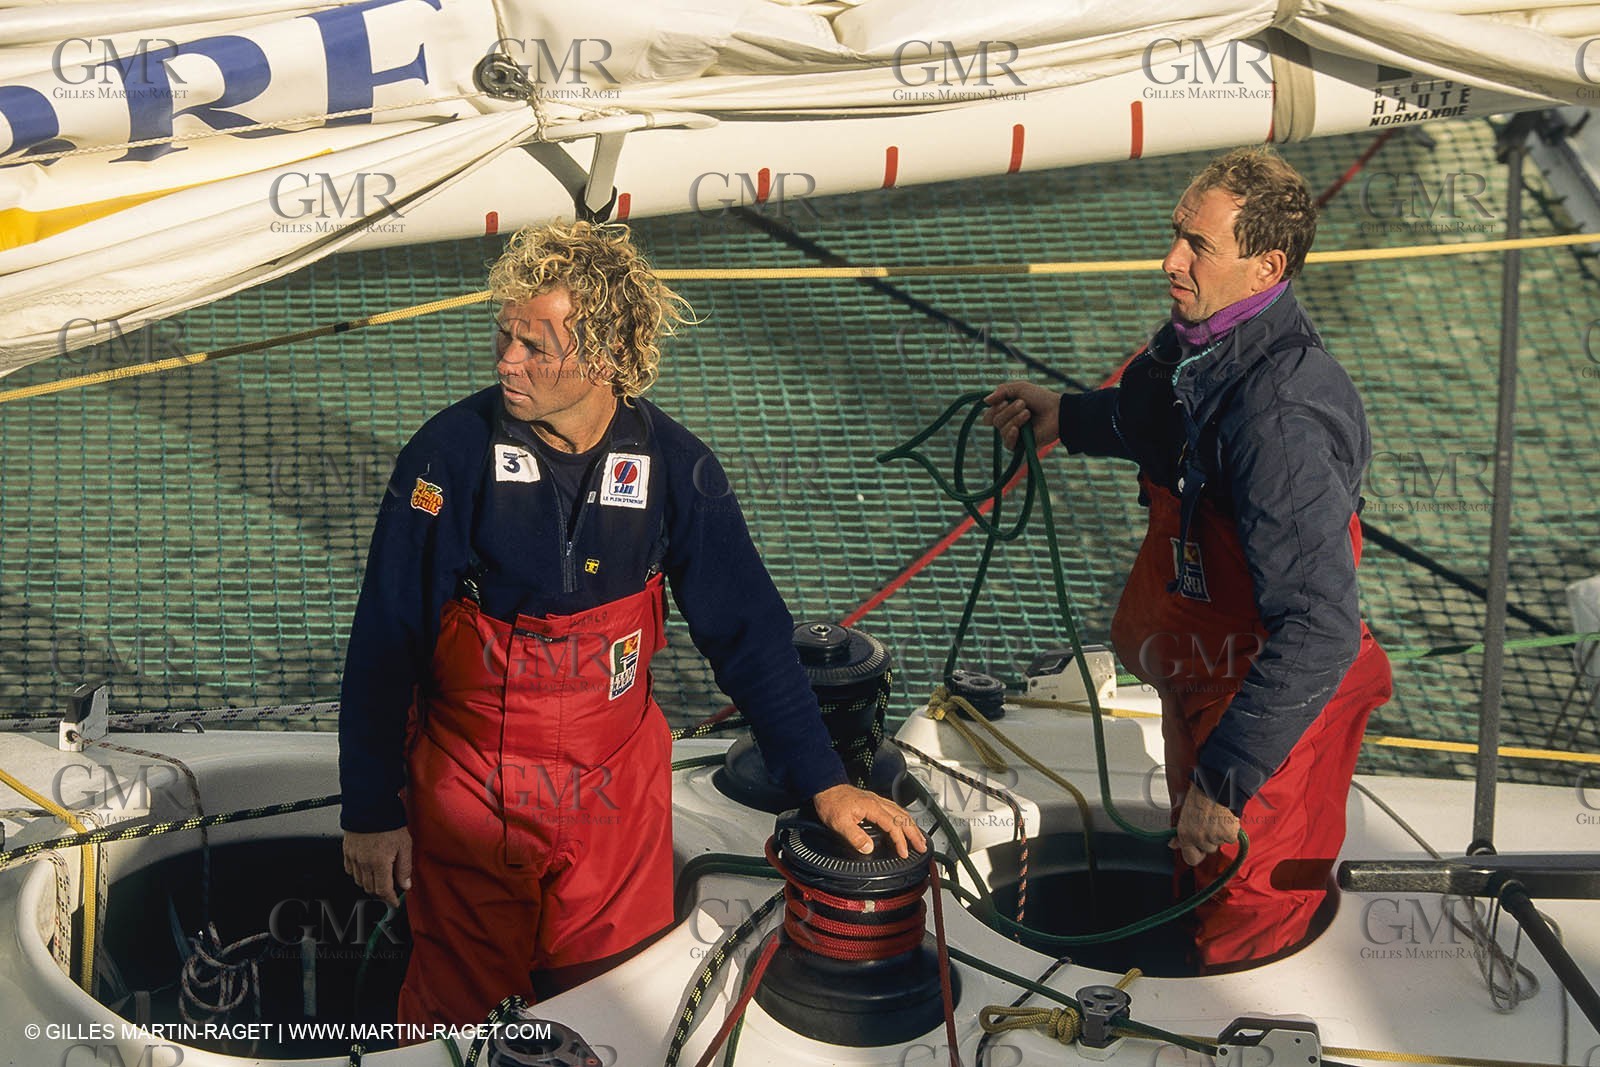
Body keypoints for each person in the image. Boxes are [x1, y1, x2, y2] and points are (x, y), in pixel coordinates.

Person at [338, 220, 924, 1025]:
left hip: (615, 809)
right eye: (503, 335)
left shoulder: (678, 468)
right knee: (457, 1023)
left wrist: (824, 782)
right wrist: (372, 810)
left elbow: (750, 633)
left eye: (535, 344)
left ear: (605, 353)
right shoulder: (446, 459)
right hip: (472, 798)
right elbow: (385, 639)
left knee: (617, 1017)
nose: (507, 360)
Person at [984, 147, 1393, 970]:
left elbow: (1320, 628)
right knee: (1196, 864)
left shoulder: (1280, 421)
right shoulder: (1206, 348)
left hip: (1268, 711)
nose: (1172, 260)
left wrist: (1227, 778)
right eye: (1178, 234)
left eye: (1198, 246)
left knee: (1243, 901)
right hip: (1203, 677)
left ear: (1265, 266)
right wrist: (1067, 415)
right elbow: (1160, 419)